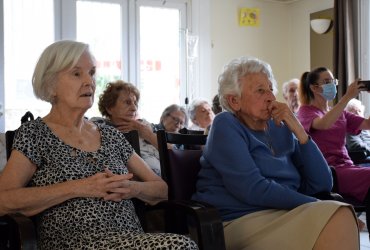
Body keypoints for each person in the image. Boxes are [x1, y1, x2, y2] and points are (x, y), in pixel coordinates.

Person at [0, 40, 197, 250]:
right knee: (179, 245)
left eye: (92, 73)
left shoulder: (111, 135)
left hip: (130, 240)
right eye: (77, 74)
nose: (89, 82)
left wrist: (132, 188)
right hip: (74, 244)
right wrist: (79, 187)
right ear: (51, 84)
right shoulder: (35, 134)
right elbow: (4, 200)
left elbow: (161, 189)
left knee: (179, 244)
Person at [192, 56, 359, 250]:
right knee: (336, 215)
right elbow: (252, 189)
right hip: (236, 220)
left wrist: (299, 130)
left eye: (271, 89)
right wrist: (313, 204)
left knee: (338, 214)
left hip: (284, 213)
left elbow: (322, 182)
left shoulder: (280, 127)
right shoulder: (225, 125)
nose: (271, 96)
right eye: (260, 90)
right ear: (234, 101)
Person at [297, 67, 370, 204]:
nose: (332, 84)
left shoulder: (339, 112)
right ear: (314, 88)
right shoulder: (305, 112)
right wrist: (347, 97)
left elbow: (367, 124)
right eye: (326, 81)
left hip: (348, 166)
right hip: (330, 172)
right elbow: (324, 124)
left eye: (333, 81)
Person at [97, 80, 161, 176]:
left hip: (161, 181)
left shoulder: (145, 125)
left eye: (135, 103)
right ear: (110, 108)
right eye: (127, 102)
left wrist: (148, 135)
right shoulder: (99, 128)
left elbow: (174, 152)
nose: (134, 108)